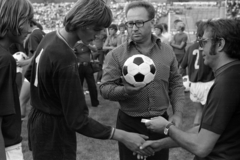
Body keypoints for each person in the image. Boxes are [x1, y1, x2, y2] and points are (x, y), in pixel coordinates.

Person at [24, 0, 154, 159]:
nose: (99, 34)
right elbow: (78, 120)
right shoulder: (64, 56)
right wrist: (123, 136)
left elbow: (29, 74)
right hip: (54, 131)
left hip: (39, 123)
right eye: (97, 28)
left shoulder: (50, 37)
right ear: (84, 22)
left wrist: (22, 101)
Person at [141, 18, 240, 160]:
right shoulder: (232, 75)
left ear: (220, 44)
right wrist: (160, 144)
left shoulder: (227, 83)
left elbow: (201, 146)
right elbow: (205, 130)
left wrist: (167, 128)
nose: (201, 48)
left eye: (204, 42)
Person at [99, 1, 185, 160]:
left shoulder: (167, 51)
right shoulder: (116, 55)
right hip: (129, 124)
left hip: (161, 122)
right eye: (130, 23)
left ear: (152, 23)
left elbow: (176, 84)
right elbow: (105, 89)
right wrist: (126, 91)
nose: (133, 27)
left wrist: (178, 113)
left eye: (139, 22)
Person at [0, 0, 34, 159]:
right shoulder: (5, 59)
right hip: (7, 145)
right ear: (12, 19)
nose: (30, 28)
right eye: (27, 21)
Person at [180, 20, 214, 126]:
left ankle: (196, 135)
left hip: (194, 84)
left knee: (199, 113)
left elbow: (182, 66)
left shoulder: (191, 48)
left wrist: (180, 81)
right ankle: (204, 137)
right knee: (210, 115)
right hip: (208, 82)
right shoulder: (209, 47)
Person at [74, 41, 99, 107]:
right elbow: (71, 52)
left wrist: (87, 44)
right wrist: (73, 51)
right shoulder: (75, 43)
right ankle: (79, 103)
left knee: (92, 85)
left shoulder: (88, 42)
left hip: (88, 65)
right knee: (79, 86)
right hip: (79, 66)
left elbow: (95, 49)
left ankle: (95, 103)